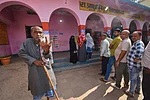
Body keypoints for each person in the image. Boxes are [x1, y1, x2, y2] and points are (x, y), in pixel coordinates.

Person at [18, 26, 57, 100]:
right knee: (37, 91)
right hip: (35, 72)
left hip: (47, 71)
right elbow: (21, 53)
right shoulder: (27, 42)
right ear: (31, 34)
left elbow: (49, 57)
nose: (38, 34)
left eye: (40, 32)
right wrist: (34, 61)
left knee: (49, 89)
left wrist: (46, 51)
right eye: (35, 32)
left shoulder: (45, 41)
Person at [124, 31, 145, 97]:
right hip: (135, 65)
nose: (133, 37)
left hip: (134, 65)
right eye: (132, 36)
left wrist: (137, 58)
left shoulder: (139, 43)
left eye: (135, 36)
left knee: (133, 79)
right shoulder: (136, 43)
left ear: (139, 36)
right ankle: (137, 90)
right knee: (138, 78)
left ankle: (131, 92)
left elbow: (140, 51)